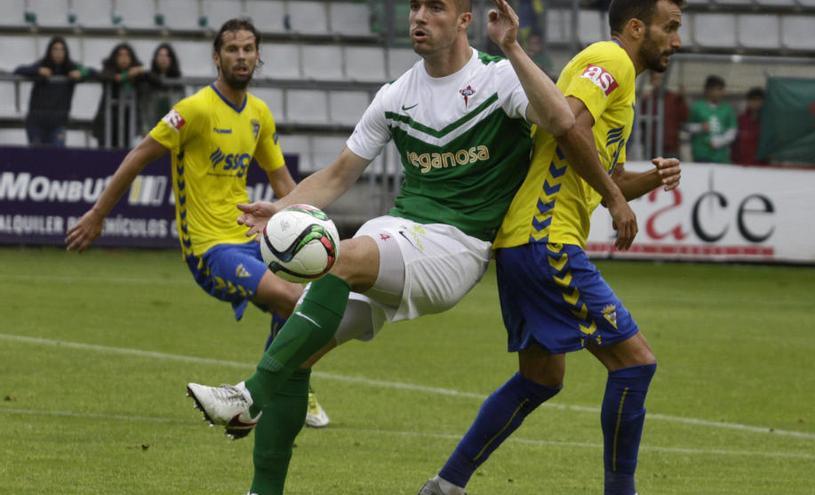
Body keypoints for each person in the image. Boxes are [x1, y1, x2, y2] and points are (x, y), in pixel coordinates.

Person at [183, 2, 635, 494]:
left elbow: (559, 121)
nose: (419, 16)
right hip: (400, 235)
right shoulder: (396, 95)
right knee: (297, 349)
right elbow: (338, 175)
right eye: (415, 6)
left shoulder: (499, 78)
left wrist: (511, 45)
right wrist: (284, 206)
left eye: (435, 7)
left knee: (341, 257)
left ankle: (249, 395)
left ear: (465, 20)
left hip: (457, 247)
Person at [420, 0, 683, 494]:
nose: (677, 40)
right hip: (547, 240)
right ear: (635, 27)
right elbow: (569, 128)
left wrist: (648, 179)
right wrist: (611, 198)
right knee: (636, 364)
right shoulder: (612, 61)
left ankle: (446, 485)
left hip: (525, 244)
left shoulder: (615, 76)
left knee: (540, 378)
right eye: (670, 28)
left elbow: (610, 173)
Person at [65, 17, 331, 495]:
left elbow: (283, 185)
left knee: (306, 297)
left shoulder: (259, 115)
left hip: (249, 238)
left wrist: (317, 230)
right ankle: (271, 390)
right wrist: (98, 214)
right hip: (209, 249)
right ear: (217, 57)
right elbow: (139, 155)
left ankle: (270, 391)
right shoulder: (193, 110)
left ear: (258, 54)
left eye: (249, 47)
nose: (242, 56)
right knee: (289, 299)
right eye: (232, 49)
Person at [14, 36, 91, 147]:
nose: (58, 53)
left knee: (57, 157)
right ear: (50, 51)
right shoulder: (42, 65)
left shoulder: (71, 67)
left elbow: (93, 72)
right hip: (36, 123)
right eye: (55, 49)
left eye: (61, 49)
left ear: (66, 52)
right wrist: (38, 70)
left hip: (58, 124)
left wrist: (81, 74)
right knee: (36, 157)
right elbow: (18, 70)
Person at [92, 43, 146, 149]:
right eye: (120, 55)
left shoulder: (137, 76)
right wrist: (125, 76)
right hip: (107, 125)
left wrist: (140, 71)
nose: (124, 58)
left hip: (129, 125)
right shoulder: (108, 71)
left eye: (127, 55)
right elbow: (104, 76)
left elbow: (154, 78)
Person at [687, 74, 736, 163]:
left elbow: (732, 131)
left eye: (722, 89)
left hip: (721, 156)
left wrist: (720, 141)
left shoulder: (727, 108)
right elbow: (687, 127)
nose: (722, 92)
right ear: (708, 90)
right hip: (701, 154)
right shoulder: (697, 107)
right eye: (718, 89)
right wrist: (700, 127)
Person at [139, 43, 185, 136]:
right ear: (155, 58)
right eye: (160, 55)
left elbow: (181, 108)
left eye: (167, 56)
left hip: (172, 131)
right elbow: (144, 108)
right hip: (152, 129)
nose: (163, 58)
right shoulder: (148, 81)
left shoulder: (177, 82)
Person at [639, 70, 687, 158]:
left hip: (671, 146)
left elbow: (684, 117)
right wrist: (643, 101)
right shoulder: (648, 99)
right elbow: (641, 120)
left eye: (661, 79)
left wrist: (682, 99)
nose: (659, 82)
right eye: (655, 79)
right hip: (651, 147)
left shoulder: (674, 98)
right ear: (651, 81)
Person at [732, 86, 765, 165]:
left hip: (762, 166)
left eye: (758, 100)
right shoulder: (740, 120)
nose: (755, 103)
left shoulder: (767, 122)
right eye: (753, 99)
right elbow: (734, 144)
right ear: (748, 101)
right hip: (741, 165)